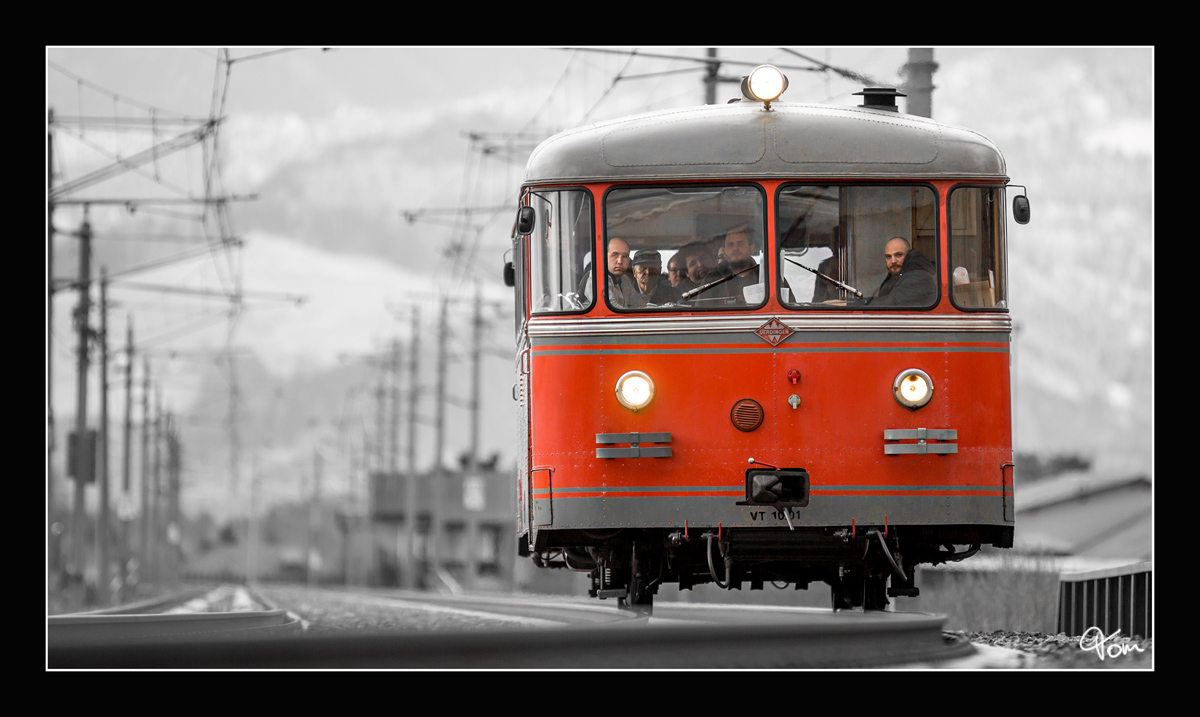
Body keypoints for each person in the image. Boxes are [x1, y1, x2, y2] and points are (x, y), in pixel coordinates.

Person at [825, 236, 936, 307]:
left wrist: (848, 305)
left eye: (898, 255)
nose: (893, 261)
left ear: (909, 254)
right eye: (888, 257)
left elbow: (891, 302)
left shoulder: (919, 275)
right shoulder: (899, 274)